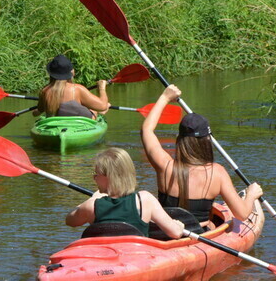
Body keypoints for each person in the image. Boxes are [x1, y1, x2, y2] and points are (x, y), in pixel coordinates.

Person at [140, 84, 263, 228]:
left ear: (179, 139)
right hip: (197, 235)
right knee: (211, 225)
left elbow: (146, 130)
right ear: (207, 140)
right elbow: (242, 214)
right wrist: (251, 195)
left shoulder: (164, 165)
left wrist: (165, 97)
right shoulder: (217, 173)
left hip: (165, 233)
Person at [65, 147, 187, 239]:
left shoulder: (91, 206)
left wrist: (92, 199)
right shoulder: (145, 199)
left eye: (96, 175)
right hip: (136, 260)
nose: (94, 178)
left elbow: (70, 220)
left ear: (109, 177)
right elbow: (176, 233)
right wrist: (179, 226)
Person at [35, 54, 110, 119]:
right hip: (78, 124)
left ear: (51, 73)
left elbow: (39, 110)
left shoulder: (45, 91)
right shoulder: (77, 89)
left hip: (55, 123)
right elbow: (103, 106)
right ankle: (96, 112)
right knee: (97, 108)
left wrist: (36, 112)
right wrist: (101, 88)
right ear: (71, 72)